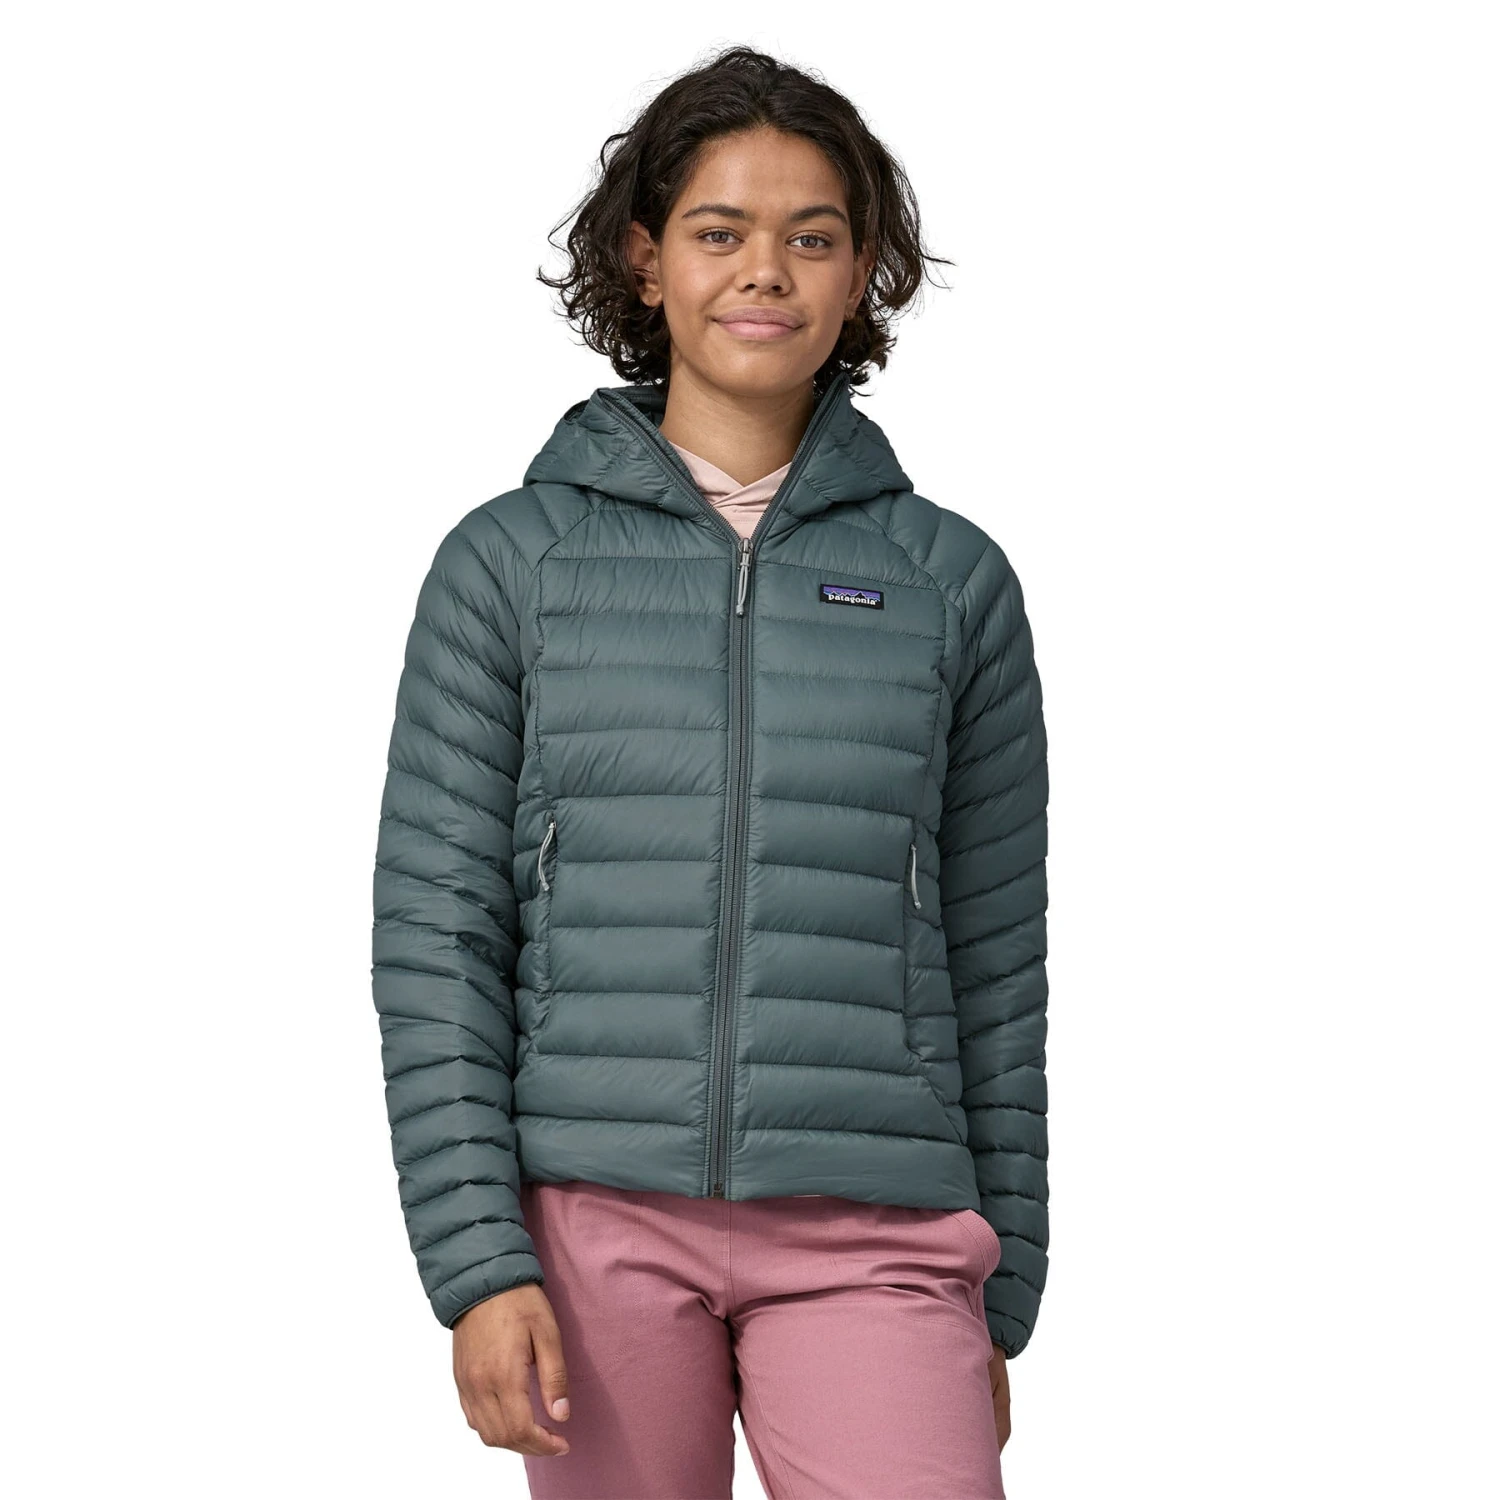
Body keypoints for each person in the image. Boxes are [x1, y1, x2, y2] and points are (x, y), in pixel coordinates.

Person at [371, 44, 1048, 1500]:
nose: (765, 273)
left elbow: (999, 958)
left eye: (813, 237)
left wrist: (1003, 1293)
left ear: (862, 271)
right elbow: (437, 937)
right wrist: (478, 1260)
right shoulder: (512, 565)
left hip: (877, 1219)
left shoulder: (948, 582)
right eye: (720, 231)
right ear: (647, 258)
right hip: (590, 1222)